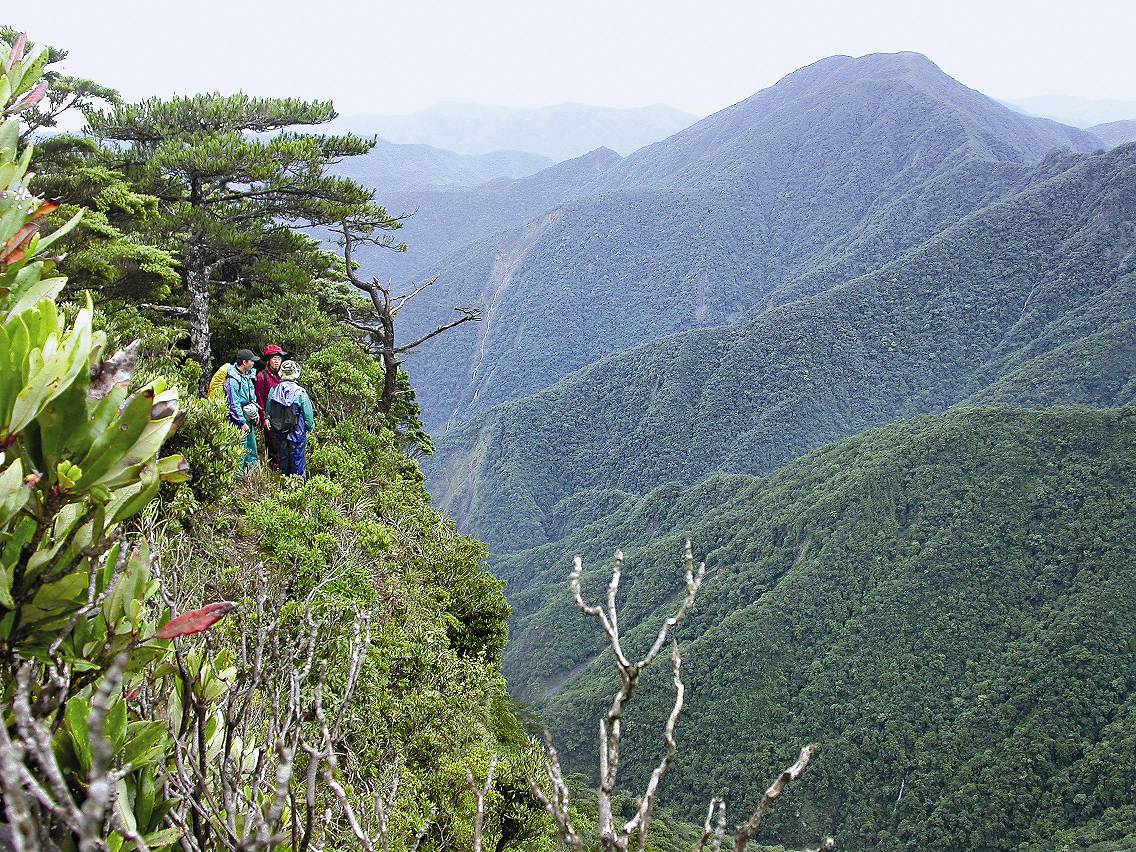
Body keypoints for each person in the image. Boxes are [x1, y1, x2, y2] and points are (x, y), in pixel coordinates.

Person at [266, 360, 315, 478]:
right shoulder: (300, 393)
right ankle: (298, 488)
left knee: (284, 459)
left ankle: (285, 485)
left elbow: (269, 411)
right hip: (297, 432)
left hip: (279, 431)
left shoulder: (273, 391)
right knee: (298, 460)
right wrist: (310, 427)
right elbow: (308, 417)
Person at [224, 349, 261, 471]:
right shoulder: (232, 381)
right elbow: (233, 404)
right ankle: (237, 481)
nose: (253, 363)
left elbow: (252, 396)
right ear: (244, 362)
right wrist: (241, 422)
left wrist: (255, 413)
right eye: (251, 361)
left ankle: (254, 475)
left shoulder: (248, 376)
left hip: (248, 416)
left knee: (251, 447)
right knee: (240, 449)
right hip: (238, 420)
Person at [255, 343, 288, 469]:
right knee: (272, 445)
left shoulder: (283, 376)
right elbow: (259, 399)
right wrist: (264, 418)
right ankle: (274, 470)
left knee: (283, 444)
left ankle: (283, 470)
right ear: (268, 360)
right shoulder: (262, 376)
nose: (277, 361)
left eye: (279, 358)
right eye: (274, 358)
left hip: (283, 416)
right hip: (270, 416)